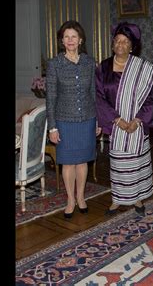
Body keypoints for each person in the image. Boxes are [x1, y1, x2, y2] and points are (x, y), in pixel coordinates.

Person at [95, 22, 153, 216]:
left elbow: (151, 96)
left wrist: (138, 119)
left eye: (125, 41)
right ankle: (117, 200)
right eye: (117, 41)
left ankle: (137, 198)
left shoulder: (143, 68)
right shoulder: (103, 68)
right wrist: (117, 120)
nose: (120, 45)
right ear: (113, 44)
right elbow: (98, 97)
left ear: (132, 46)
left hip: (137, 125)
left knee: (136, 163)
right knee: (119, 166)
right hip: (116, 125)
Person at [46, 20, 100, 219]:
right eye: (66, 37)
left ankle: (81, 197)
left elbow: (94, 93)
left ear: (80, 40)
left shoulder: (89, 63)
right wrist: (52, 126)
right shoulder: (54, 64)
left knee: (82, 161)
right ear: (62, 40)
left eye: (73, 36)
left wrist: (98, 121)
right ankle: (70, 199)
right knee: (68, 162)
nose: (70, 40)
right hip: (64, 120)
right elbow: (50, 98)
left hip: (87, 118)